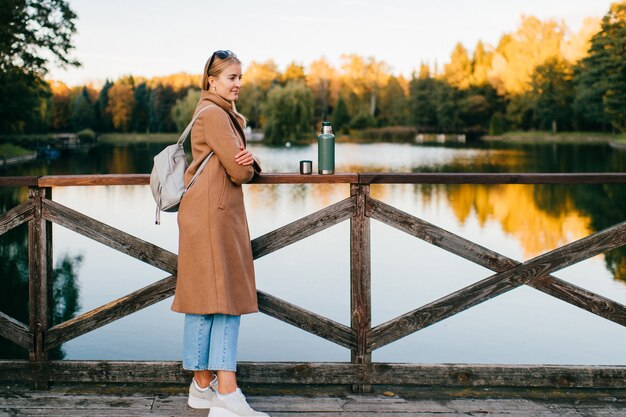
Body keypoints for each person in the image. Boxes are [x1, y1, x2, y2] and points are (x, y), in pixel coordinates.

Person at [172, 50, 268, 417]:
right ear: (212, 81)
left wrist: (245, 157)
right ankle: (227, 393)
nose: (238, 84)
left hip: (203, 215)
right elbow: (240, 170)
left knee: (202, 303)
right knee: (227, 300)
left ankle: (201, 387)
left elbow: (236, 161)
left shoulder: (209, 112)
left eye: (240, 77)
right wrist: (251, 159)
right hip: (214, 217)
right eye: (231, 78)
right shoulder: (215, 115)